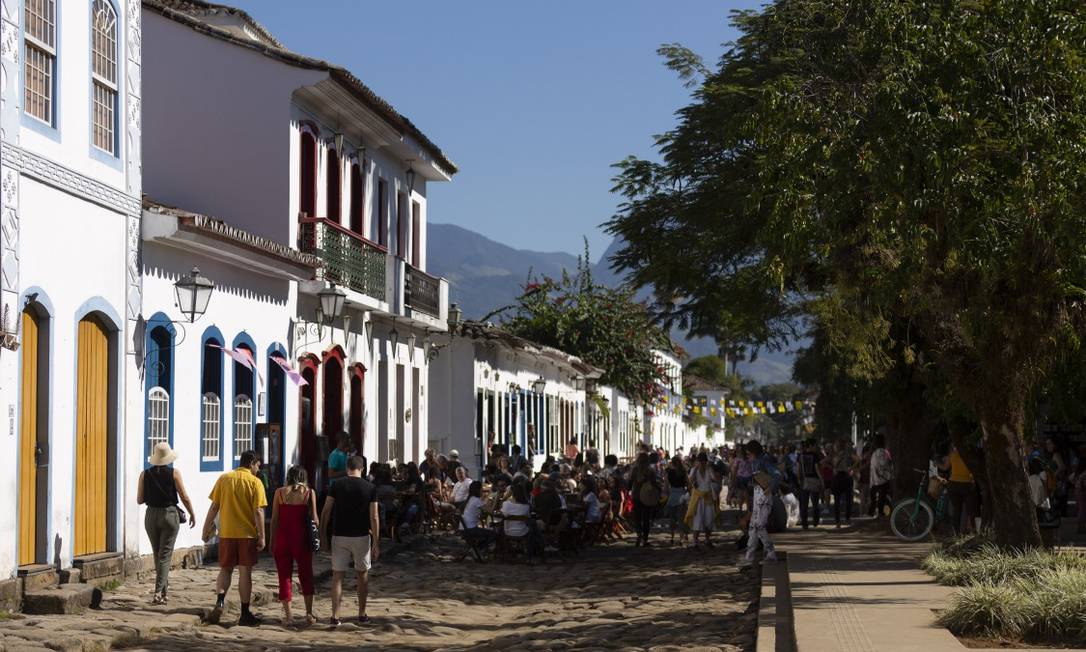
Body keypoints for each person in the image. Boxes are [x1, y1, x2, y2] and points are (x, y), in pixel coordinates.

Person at [202, 450, 267, 627]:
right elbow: (258, 511)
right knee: (245, 573)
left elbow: (214, 507)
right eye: (258, 464)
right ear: (252, 463)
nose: (259, 468)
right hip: (246, 535)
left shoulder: (224, 479)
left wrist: (205, 528)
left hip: (227, 533)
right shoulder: (255, 483)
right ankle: (245, 613)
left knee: (226, 569)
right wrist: (262, 536)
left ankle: (220, 601)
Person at [320, 455, 379, 626]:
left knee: (337, 576)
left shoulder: (337, 485)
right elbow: (374, 516)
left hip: (339, 535)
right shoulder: (370, 488)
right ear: (362, 469)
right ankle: (361, 614)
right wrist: (376, 541)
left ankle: (335, 616)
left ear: (347, 468)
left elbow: (326, 510)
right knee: (362, 575)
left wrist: (323, 533)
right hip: (361, 535)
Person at [137, 442, 196, 605]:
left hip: (151, 516)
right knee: (165, 555)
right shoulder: (174, 473)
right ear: (168, 458)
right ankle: (157, 592)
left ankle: (163, 592)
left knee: (157, 553)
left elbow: (140, 499)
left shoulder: (144, 474)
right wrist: (192, 513)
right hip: (169, 515)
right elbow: (184, 496)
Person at [270, 465, 318, 627]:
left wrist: (272, 541)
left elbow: (275, 520)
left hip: (283, 538)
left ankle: (289, 616)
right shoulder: (309, 493)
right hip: (301, 539)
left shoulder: (279, 493)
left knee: (284, 577)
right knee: (306, 574)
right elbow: (315, 519)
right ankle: (309, 613)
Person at [742, 471, 778, 566]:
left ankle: (771, 554)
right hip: (756, 515)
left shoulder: (767, 493)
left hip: (762, 516)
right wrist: (752, 518)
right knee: (752, 537)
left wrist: (759, 520)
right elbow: (755, 505)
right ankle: (749, 557)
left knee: (762, 533)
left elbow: (765, 508)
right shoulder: (757, 489)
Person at [685, 452, 719, 548]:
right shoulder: (694, 470)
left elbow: (714, 479)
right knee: (697, 519)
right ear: (698, 462)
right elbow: (689, 482)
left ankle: (707, 539)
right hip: (698, 498)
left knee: (709, 519)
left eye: (704, 462)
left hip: (708, 497)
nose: (702, 464)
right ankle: (695, 541)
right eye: (701, 462)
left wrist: (712, 471)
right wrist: (695, 472)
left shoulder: (709, 470)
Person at [944, 444, 979, 535]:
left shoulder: (952, 455)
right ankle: (974, 531)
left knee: (956, 510)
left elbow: (945, 467)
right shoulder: (969, 455)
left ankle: (956, 533)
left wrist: (937, 463)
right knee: (971, 510)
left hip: (953, 484)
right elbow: (974, 470)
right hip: (967, 484)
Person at [630, 452, 661, 547]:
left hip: (636, 495)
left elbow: (630, 481)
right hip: (647, 495)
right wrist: (659, 489)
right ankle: (645, 539)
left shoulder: (634, 470)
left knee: (637, 517)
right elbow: (654, 483)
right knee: (646, 518)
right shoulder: (650, 470)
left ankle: (639, 534)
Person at [831, 440, 859, 528]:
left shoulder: (836, 455)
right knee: (848, 499)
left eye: (835, 445)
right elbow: (858, 459)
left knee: (838, 500)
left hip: (839, 477)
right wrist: (851, 467)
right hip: (847, 476)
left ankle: (838, 521)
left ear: (838, 446)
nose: (834, 447)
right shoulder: (848, 454)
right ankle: (847, 519)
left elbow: (834, 464)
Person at [460, 481, 497, 550]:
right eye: (482, 489)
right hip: (469, 529)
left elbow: (483, 506)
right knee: (494, 534)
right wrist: (494, 498)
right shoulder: (476, 500)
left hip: (464, 528)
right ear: (478, 490)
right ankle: (479, 549)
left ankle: (477, 548)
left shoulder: (471, 499)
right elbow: (490, 511)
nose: (483, 490)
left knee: (487, 533)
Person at [796, 439, 823, 529]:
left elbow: (798, 470)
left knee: (804, 503)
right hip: (814, 480)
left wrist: (799, 479)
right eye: (814, 445)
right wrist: (821, 480)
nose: (816, 447)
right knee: (815, 503)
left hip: (804, 481)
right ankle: (815, 521)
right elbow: (817, 469)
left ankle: (805, 523)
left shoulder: (800, 456)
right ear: (810, 446)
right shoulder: (815, 455)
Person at [869, 435, 894, 519]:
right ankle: (880, 514)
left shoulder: (877, 453)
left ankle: (878, 514)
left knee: (878, 499)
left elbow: (878, 465)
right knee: (881, 498)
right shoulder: (884, 452)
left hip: (878, 480)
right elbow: (889, 464)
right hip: (883, 479)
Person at [665, 455, 689, 546]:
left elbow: (666, 487)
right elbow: (688, 484)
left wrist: (667, 494)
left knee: (672, 518)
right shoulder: (683, 472)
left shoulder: (669, 472)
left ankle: (672, 537)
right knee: (682, 518)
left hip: (673, 496)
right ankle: (681, 538)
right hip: (682, 495)